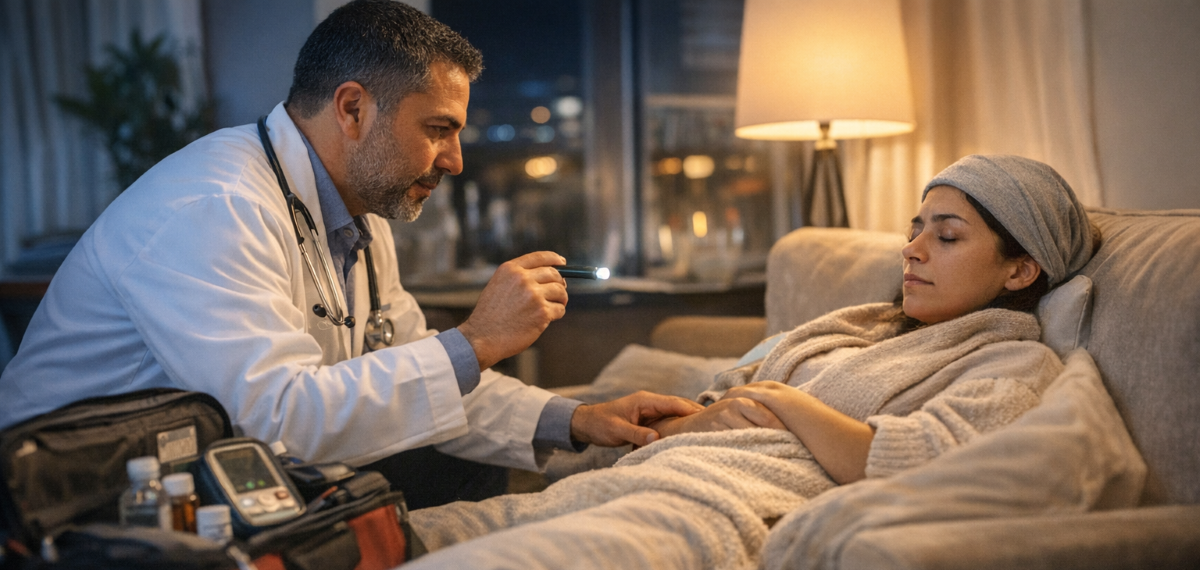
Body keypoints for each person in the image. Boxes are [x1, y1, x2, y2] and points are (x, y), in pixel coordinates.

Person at [0, 0, 703, 508]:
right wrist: (478, 340)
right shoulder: (215, 207)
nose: (455, 160)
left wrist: (576, 420)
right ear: (352, 108)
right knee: (438, 470)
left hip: (220, 468)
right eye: (438, 129)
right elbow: (278, 419)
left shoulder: (358, 219)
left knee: (455, 465)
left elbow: (411, 370)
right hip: (76, 494)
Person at [401, 154, 1102, 569]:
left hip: (720, 511)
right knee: (391, 540)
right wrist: (691, 422)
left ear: (1020, 270)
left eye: (946, 237)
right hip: (638, 478)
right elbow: (720, 398)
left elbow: (916, 465)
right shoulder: (854, 327)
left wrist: (785, 404)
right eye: (915, 229)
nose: (911, 249)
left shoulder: (1012, 364)